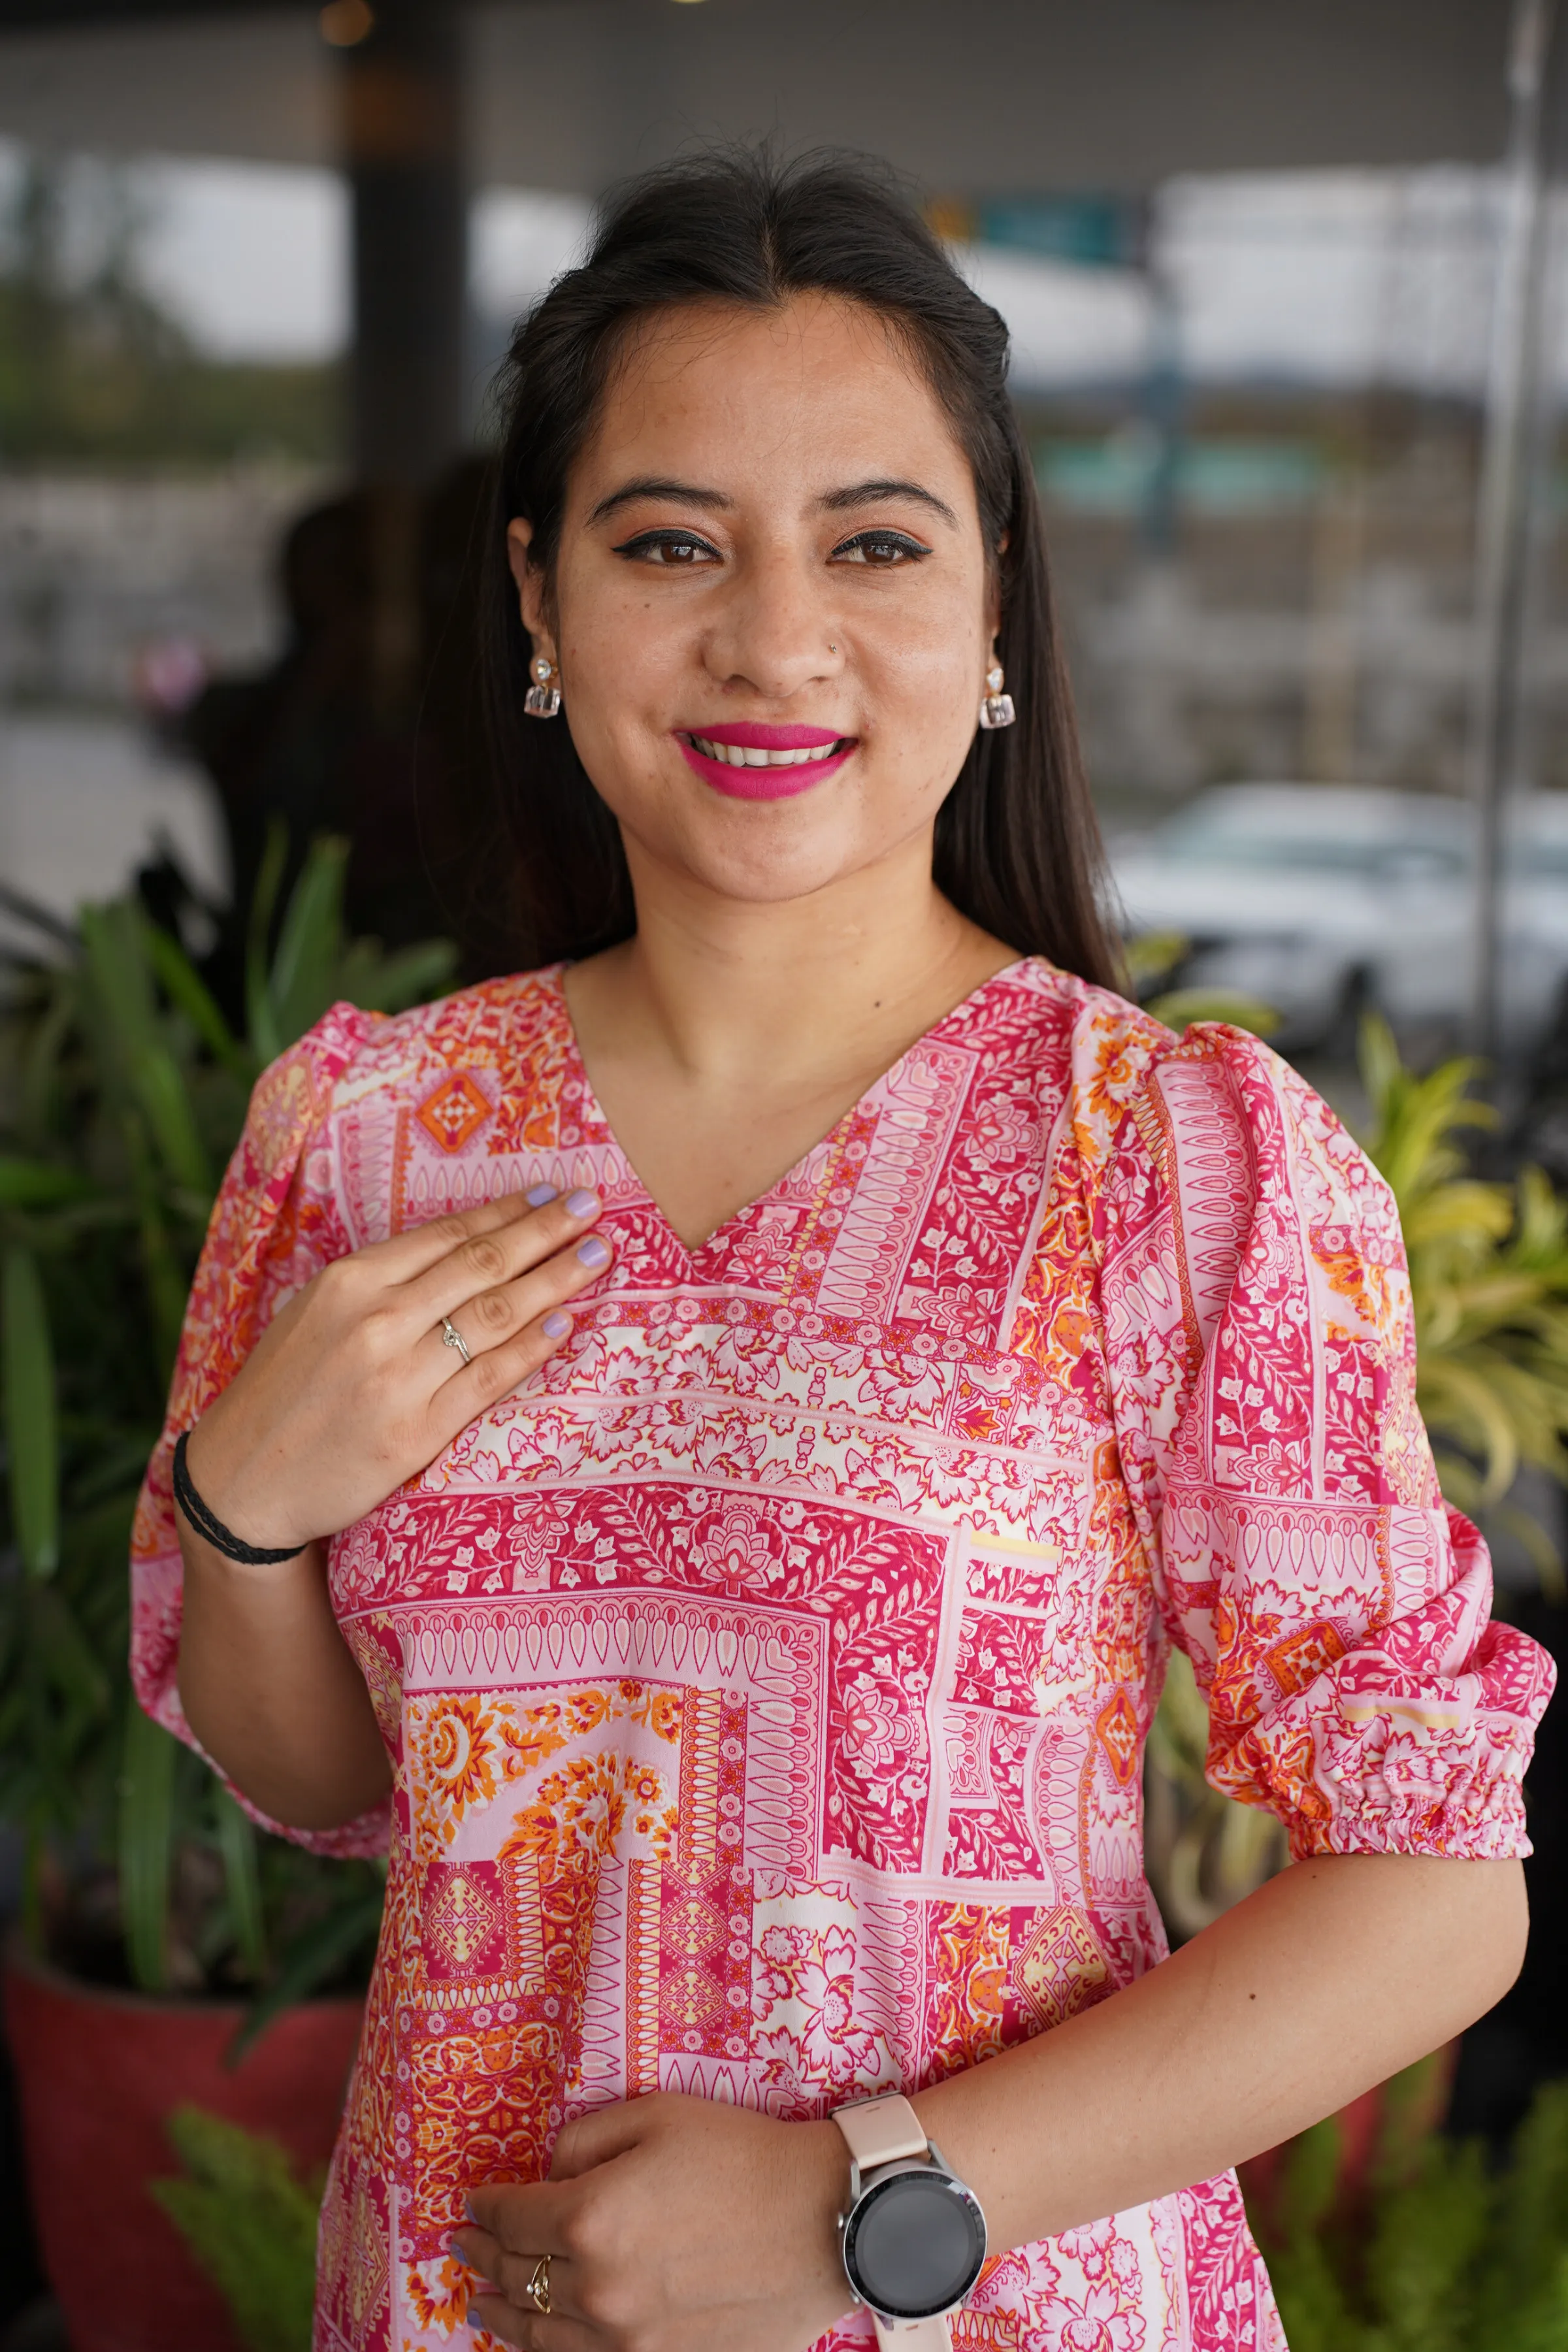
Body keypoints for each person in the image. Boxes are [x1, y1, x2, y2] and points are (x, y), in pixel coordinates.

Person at [131, 152, 1554, 2352]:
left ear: (994, 611)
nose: (770, 636)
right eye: (668, 541)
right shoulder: (367, 1127)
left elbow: (1439, 1891)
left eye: (874, 543)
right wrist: (243, 1513)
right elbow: (327, 1789)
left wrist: (866, 2205)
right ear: (537, 599)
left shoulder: (1164, 1159)